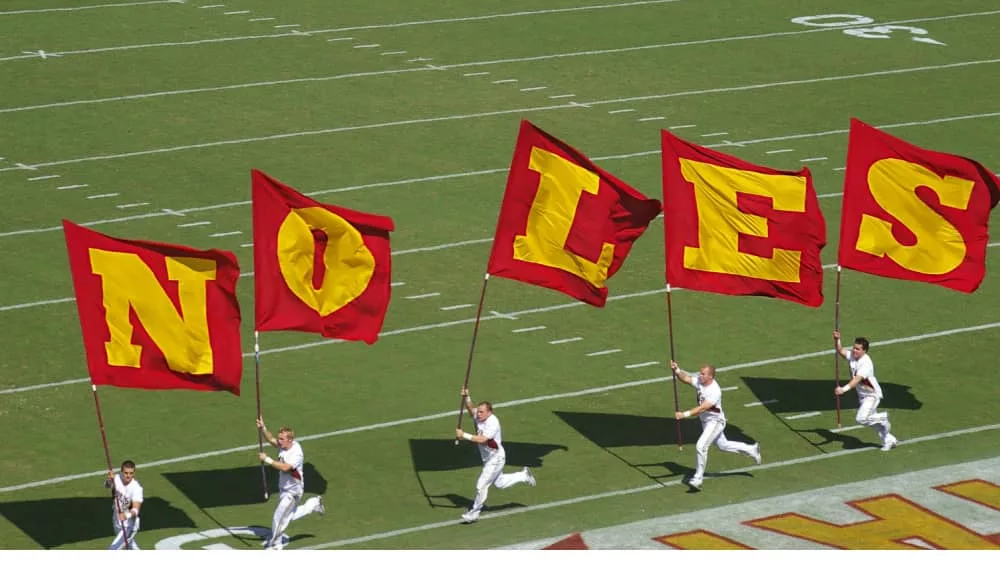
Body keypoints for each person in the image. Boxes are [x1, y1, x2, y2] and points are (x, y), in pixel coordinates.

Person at [671, 361, 761, 490]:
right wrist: (677, 370)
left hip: (715, 422)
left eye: (703, 374)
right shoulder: (700, 382)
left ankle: (698, 478)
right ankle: (751, 449)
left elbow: (702, 408)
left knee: (701, 446)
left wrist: (683, 414)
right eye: (700, 373)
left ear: (711, 376)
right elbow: (686, 379)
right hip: (705, 421)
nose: (700, 375)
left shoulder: (715, 391)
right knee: (723, 445)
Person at [455, 386, 536, 523]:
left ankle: (474, 513)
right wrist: (467, 397)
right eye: (478, 411)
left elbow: (482, 439)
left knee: (481, 485)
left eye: (481, 412)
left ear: (489, 412)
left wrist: (464, 435)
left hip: (495, 458)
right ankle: (523, 475)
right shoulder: (479, 416)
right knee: (500, 483)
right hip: (488, 458)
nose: (478, 414)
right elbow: (471, 410)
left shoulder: (493, 422)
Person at [257, 417, 325, 549]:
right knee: (288, 516)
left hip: (293, 491)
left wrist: (267, 459)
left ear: (290, 440)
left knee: (279, 517)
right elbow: (271, 439)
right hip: (284, 488)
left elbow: (285, 468)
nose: (279, 441)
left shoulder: (296, 453)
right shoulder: (283, 445)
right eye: (279, 438)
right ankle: (314, 504)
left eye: (281, 439)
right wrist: (263, 427)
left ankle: (276, 544)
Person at [833, 330, 898, 451]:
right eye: (854, 348)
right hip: (862, 396)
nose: (854, 350)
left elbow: (856, 380)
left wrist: (843, 389)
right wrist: (837, 340)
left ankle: (883, 417)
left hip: (871, 396)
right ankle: (890, 441)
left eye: (858, 349)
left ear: (864, 351)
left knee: (861, 419)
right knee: (876, 425)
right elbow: (841, 351)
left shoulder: (866, 363)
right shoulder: (853, 356)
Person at [105, 459, 143, 550]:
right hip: (117, 522)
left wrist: (126, 515)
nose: (128, 476)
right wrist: (110, 480)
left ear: (134, 473)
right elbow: (107, 485)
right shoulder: (116, 478)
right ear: (121, 472)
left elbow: (136, 509)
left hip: (129, 526)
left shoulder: (136, 488)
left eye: (131, 473)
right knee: (131, 547)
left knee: (113, 549)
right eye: (126, 473)